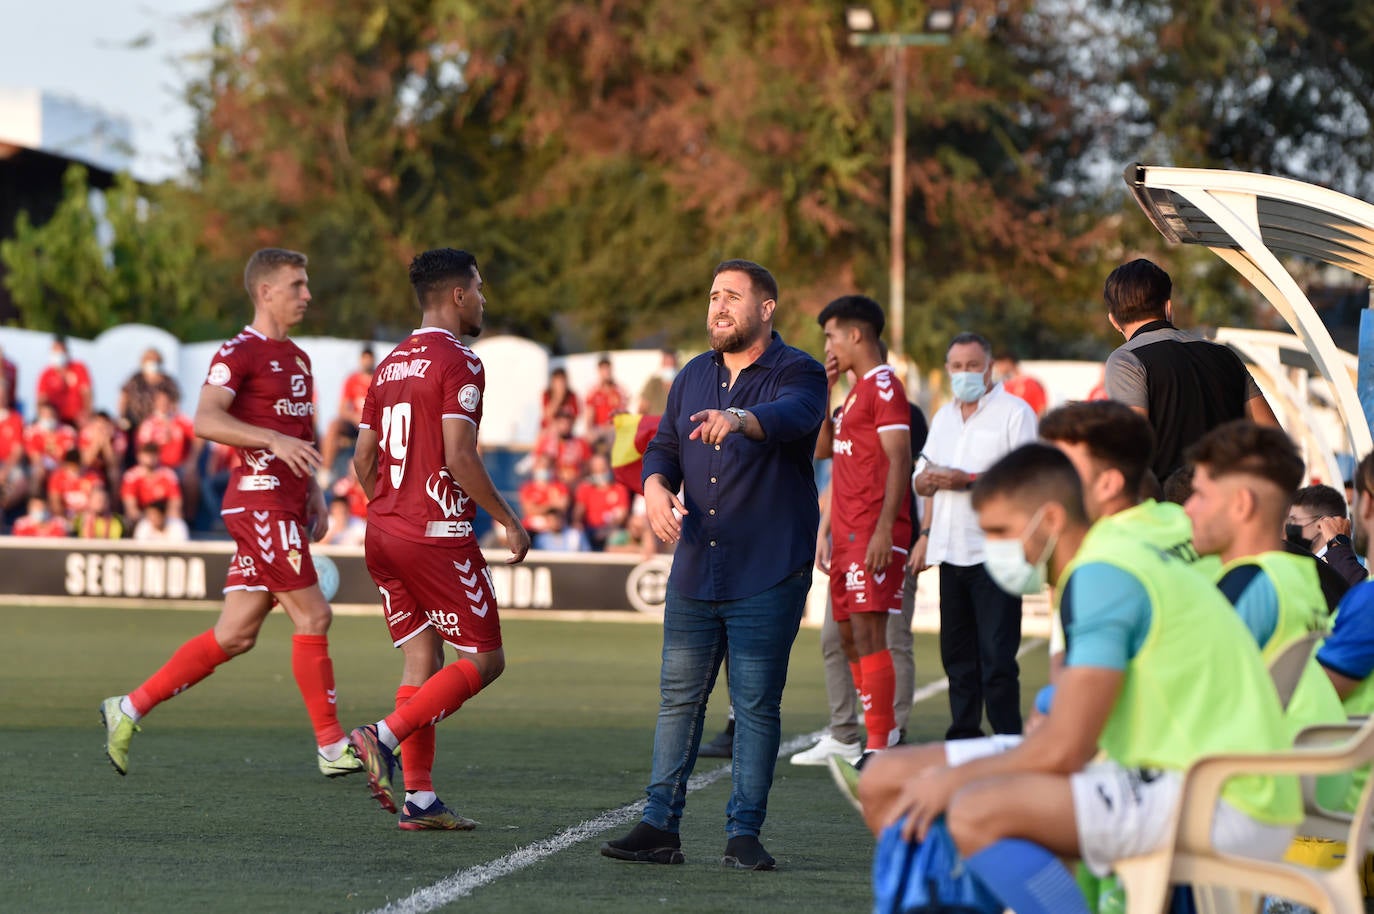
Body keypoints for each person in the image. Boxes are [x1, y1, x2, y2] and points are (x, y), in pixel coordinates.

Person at [861, 444, 1301, 914]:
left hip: (1219, 790)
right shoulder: (1097, 565)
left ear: (1049, 520)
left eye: (1000, 532)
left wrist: (953, 780)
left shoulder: (1105, 571)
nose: (991, 550)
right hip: (1159, 763)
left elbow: (1068, 748)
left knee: (975, 809)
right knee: (884, 778)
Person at [99, 247, 362, 779]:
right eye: (297, 285)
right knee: (314, 615)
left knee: (235, 634)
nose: (307, 295)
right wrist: (268, 440)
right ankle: (332, 746)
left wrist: (311, 490)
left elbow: (299, 433)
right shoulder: (238, 352)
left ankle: (126, 707)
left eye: (306, 284)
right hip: (258, 500)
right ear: (265, 292)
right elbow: (205, 419)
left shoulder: (299, 360)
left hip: (287, 503)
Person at [599, 259, 827, 871]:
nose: (718, 307)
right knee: (678, 700)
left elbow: (796, 417)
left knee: (755, 705)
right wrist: (651, 487)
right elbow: (664, 446)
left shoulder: (799, 370)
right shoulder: (692, 375)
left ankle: (743, 835)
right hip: (698, 565)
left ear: (766, 308)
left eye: (732, 297)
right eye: (712, 297)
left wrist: (741, 420)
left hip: (768, 567)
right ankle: (658, 828)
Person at [345, 248, 531, 829]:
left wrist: (390, 508)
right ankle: (382, 735)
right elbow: (458, 455)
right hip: (435, 534)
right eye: (478, 287)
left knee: (421, 660)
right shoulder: (461, 361)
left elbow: (362, 458)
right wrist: (508, 518)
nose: (483, 297)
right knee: (486, 659)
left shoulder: (390, 363)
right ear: (456, 295)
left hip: (384, 533)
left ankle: (420, 800)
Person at [1182, 421, 1346, 737]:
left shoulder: (1248, 583)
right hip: (1296, 766)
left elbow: (1196, 700)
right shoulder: (1299, 577)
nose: (1188, 509)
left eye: (1200, 495)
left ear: (1242, 504)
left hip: (1243, 777)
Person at [912, 332, 1036, 740]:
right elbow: (922, 470)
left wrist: (967, 480)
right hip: (951, 551)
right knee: (957, 657)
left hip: (995, 552)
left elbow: (1024, 479)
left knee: (998, 659)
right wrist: (925, 485)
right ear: (947, 370)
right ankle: (964, 736)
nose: (964, 373)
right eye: (957, 366)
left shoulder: (1015, 412)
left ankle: (1007, 740)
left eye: (972, 365)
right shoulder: (945, 416)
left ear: (989, 367)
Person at [811, 295, 912, 762]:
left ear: (855, 334)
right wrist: (828, 388)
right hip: (846, 534)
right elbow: (822, 452)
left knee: (871, 634)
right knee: (849, 635)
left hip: (873, 532)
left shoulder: (886, 386)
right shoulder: (852, 391)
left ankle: (878, 742)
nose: (827, 345)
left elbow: (900, 460)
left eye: (831, 335)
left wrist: (884, 531)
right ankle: (873, 735)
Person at [1102, 258, 1278, 481]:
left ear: (1114, 320)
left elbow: (1132, 446)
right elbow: (1273, 437)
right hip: (1230, 501)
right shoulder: (1225, 355)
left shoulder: (1126, 361)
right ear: (1168, 307)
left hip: (1169, 507)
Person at [1286, 483, 1366, 589]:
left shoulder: (1345, 567)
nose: (1288, 527)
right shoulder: (1306, 565)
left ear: (1322, 525)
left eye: (1294, 520)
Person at [320, 346, 375, 484]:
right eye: (364, 358)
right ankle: (325, 472)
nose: (367, 361)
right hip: (355, 423)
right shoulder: (352, 380)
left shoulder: (378, 378)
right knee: (334, 426)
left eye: (369, 358)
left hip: (373, 424)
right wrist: (355, 417)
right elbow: (342, 408)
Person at [117, 348, 181, 446]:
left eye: (154, 359)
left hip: (157, 424)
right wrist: (122, 416)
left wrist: (171, 420)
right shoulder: (136, 378)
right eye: (148, 359)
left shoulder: (167, 381)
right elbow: (124, 396)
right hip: (135, 422)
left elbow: (175, 402)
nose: (151, 362)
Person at [572, 452, 632, 551]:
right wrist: (577, 522)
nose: (600, 473)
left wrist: (607, 529)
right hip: (589, 530)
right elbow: (579, 511)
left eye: (603, 470)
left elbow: (622, 515)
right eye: (596, 471)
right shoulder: (585, 488)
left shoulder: (619, 489)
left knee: (618, 538)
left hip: (612, 530)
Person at [120, 442, 183, 527]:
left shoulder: (168, 475)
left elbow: (175, 504)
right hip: (141, 519)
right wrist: (149, 520)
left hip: (164, 520)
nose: (150, 458)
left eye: (153, 454)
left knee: (177, 517)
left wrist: (160, 519)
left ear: (158, 456)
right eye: (147, 454)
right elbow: (131, 507)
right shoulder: (131, 477)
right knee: (130, 517)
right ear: (139, 456)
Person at [36, 335, 93, 427]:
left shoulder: (79, 368)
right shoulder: (46, 374)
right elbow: (41, 400)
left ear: (67, 352)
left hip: (77, 420)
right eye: (55, 350)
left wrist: (87, 414)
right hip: (55, 421)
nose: (58, 354)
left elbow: (87, 393)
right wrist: (43, 419)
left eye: (61, 351)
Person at [584, 354, 628, 447]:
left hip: (614, 428)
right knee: (588, 438)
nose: (606, 372)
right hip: (598, 429)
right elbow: (589, 416)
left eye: (607, 368)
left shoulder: (620, 390)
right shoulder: (593, 391)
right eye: (603, 369)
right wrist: (589, 430)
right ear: (599, 371)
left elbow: (622, 415)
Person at [992, 352, 1048, 417]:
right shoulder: (1003, 385)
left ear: (1008, 363)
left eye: (999, 364)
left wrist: (1035, 425)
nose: (997, 368)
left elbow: (1041, 408)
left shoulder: (1031, 383)